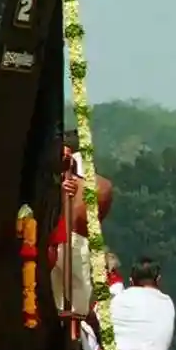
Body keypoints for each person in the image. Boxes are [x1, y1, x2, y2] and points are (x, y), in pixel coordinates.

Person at [51, 130, 114, 321]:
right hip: (70, 240)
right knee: (77, 306)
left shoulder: (56, 182)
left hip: (58, 240)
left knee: (60, 302)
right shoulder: (101, 186)